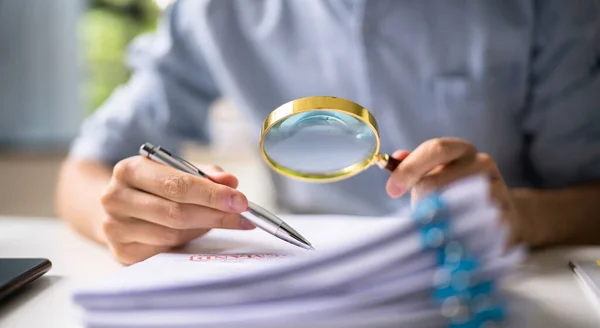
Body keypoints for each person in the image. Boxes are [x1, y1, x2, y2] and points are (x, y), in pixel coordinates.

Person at [56, 0, 600, 265]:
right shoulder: (213, 10)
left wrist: (520, 216)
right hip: (307, 287)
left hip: (499, 282)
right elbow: (83, 172)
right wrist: (127, 219)